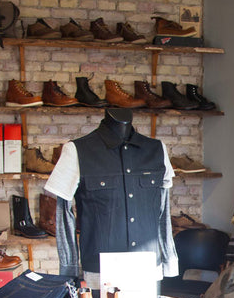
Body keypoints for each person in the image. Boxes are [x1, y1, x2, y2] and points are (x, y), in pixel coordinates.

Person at [44, 108, 178, 288]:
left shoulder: (157, 149)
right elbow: (63, 215)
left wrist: (169, 258)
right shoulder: (77, 151)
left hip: (147, 267)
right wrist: (70, 268)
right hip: (100, 272)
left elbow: (163, 212)